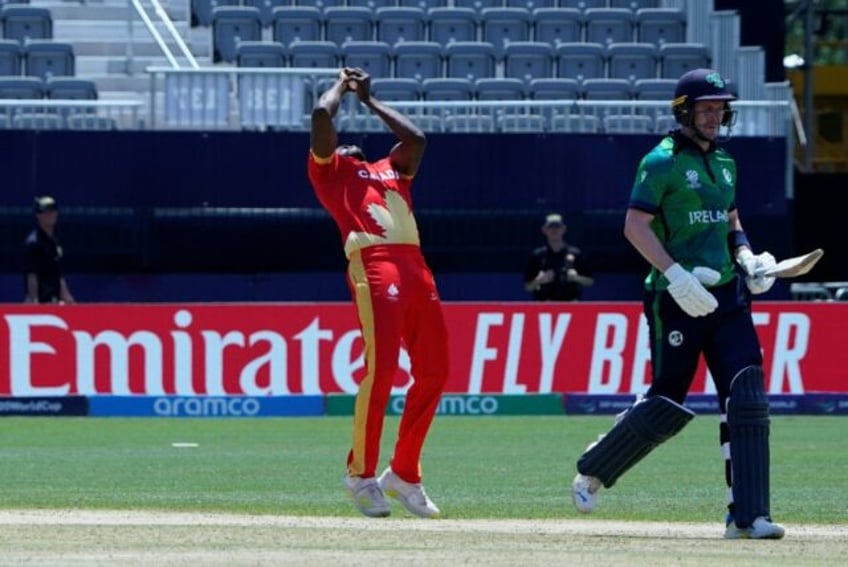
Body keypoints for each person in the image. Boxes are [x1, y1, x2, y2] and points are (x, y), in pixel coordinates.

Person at [570, 68, 785, 540]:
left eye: (719, 108)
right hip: (676, 298)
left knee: (747, 395)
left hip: (727, 296)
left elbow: (730, 218)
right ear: (684, 112)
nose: (714, 116)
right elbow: (635, 226)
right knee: (668, 399)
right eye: (705, 108)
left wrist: (747, 256)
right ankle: (595, 468)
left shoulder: (726, 162)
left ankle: (749, 516)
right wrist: (675, 275)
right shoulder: (660, 161)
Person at [307, 67, 448, 519]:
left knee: (435, 371)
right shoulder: (331, 175)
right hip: (374, 262)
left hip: (416, 268)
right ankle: (360, 474)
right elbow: (320, 116)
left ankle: (404, 474)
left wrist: (371, 101)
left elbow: (418, 140)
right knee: (382, 367)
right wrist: (342, 89)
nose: (345, 145)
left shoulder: (389, 170)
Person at [523, 213, 593, 301]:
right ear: (544, 230)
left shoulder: (576, 253)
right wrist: (539, 280)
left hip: (571, 306)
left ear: (564, 229)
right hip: (545, 307)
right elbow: (528, 287)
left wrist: (576, 278)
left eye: (557, 227)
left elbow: (590, 281)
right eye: (550, 227)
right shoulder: (537, 256)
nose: (554, 230)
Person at [24, 195, 75, 305]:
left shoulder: (54, 242)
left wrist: (68, 299)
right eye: (46, 212)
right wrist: (34, 302)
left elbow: (58, 274)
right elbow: (32, 275)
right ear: (38, 215)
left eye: (52, 211)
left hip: (55, 301)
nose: (50, 215)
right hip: (42, 301)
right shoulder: (33, 242)